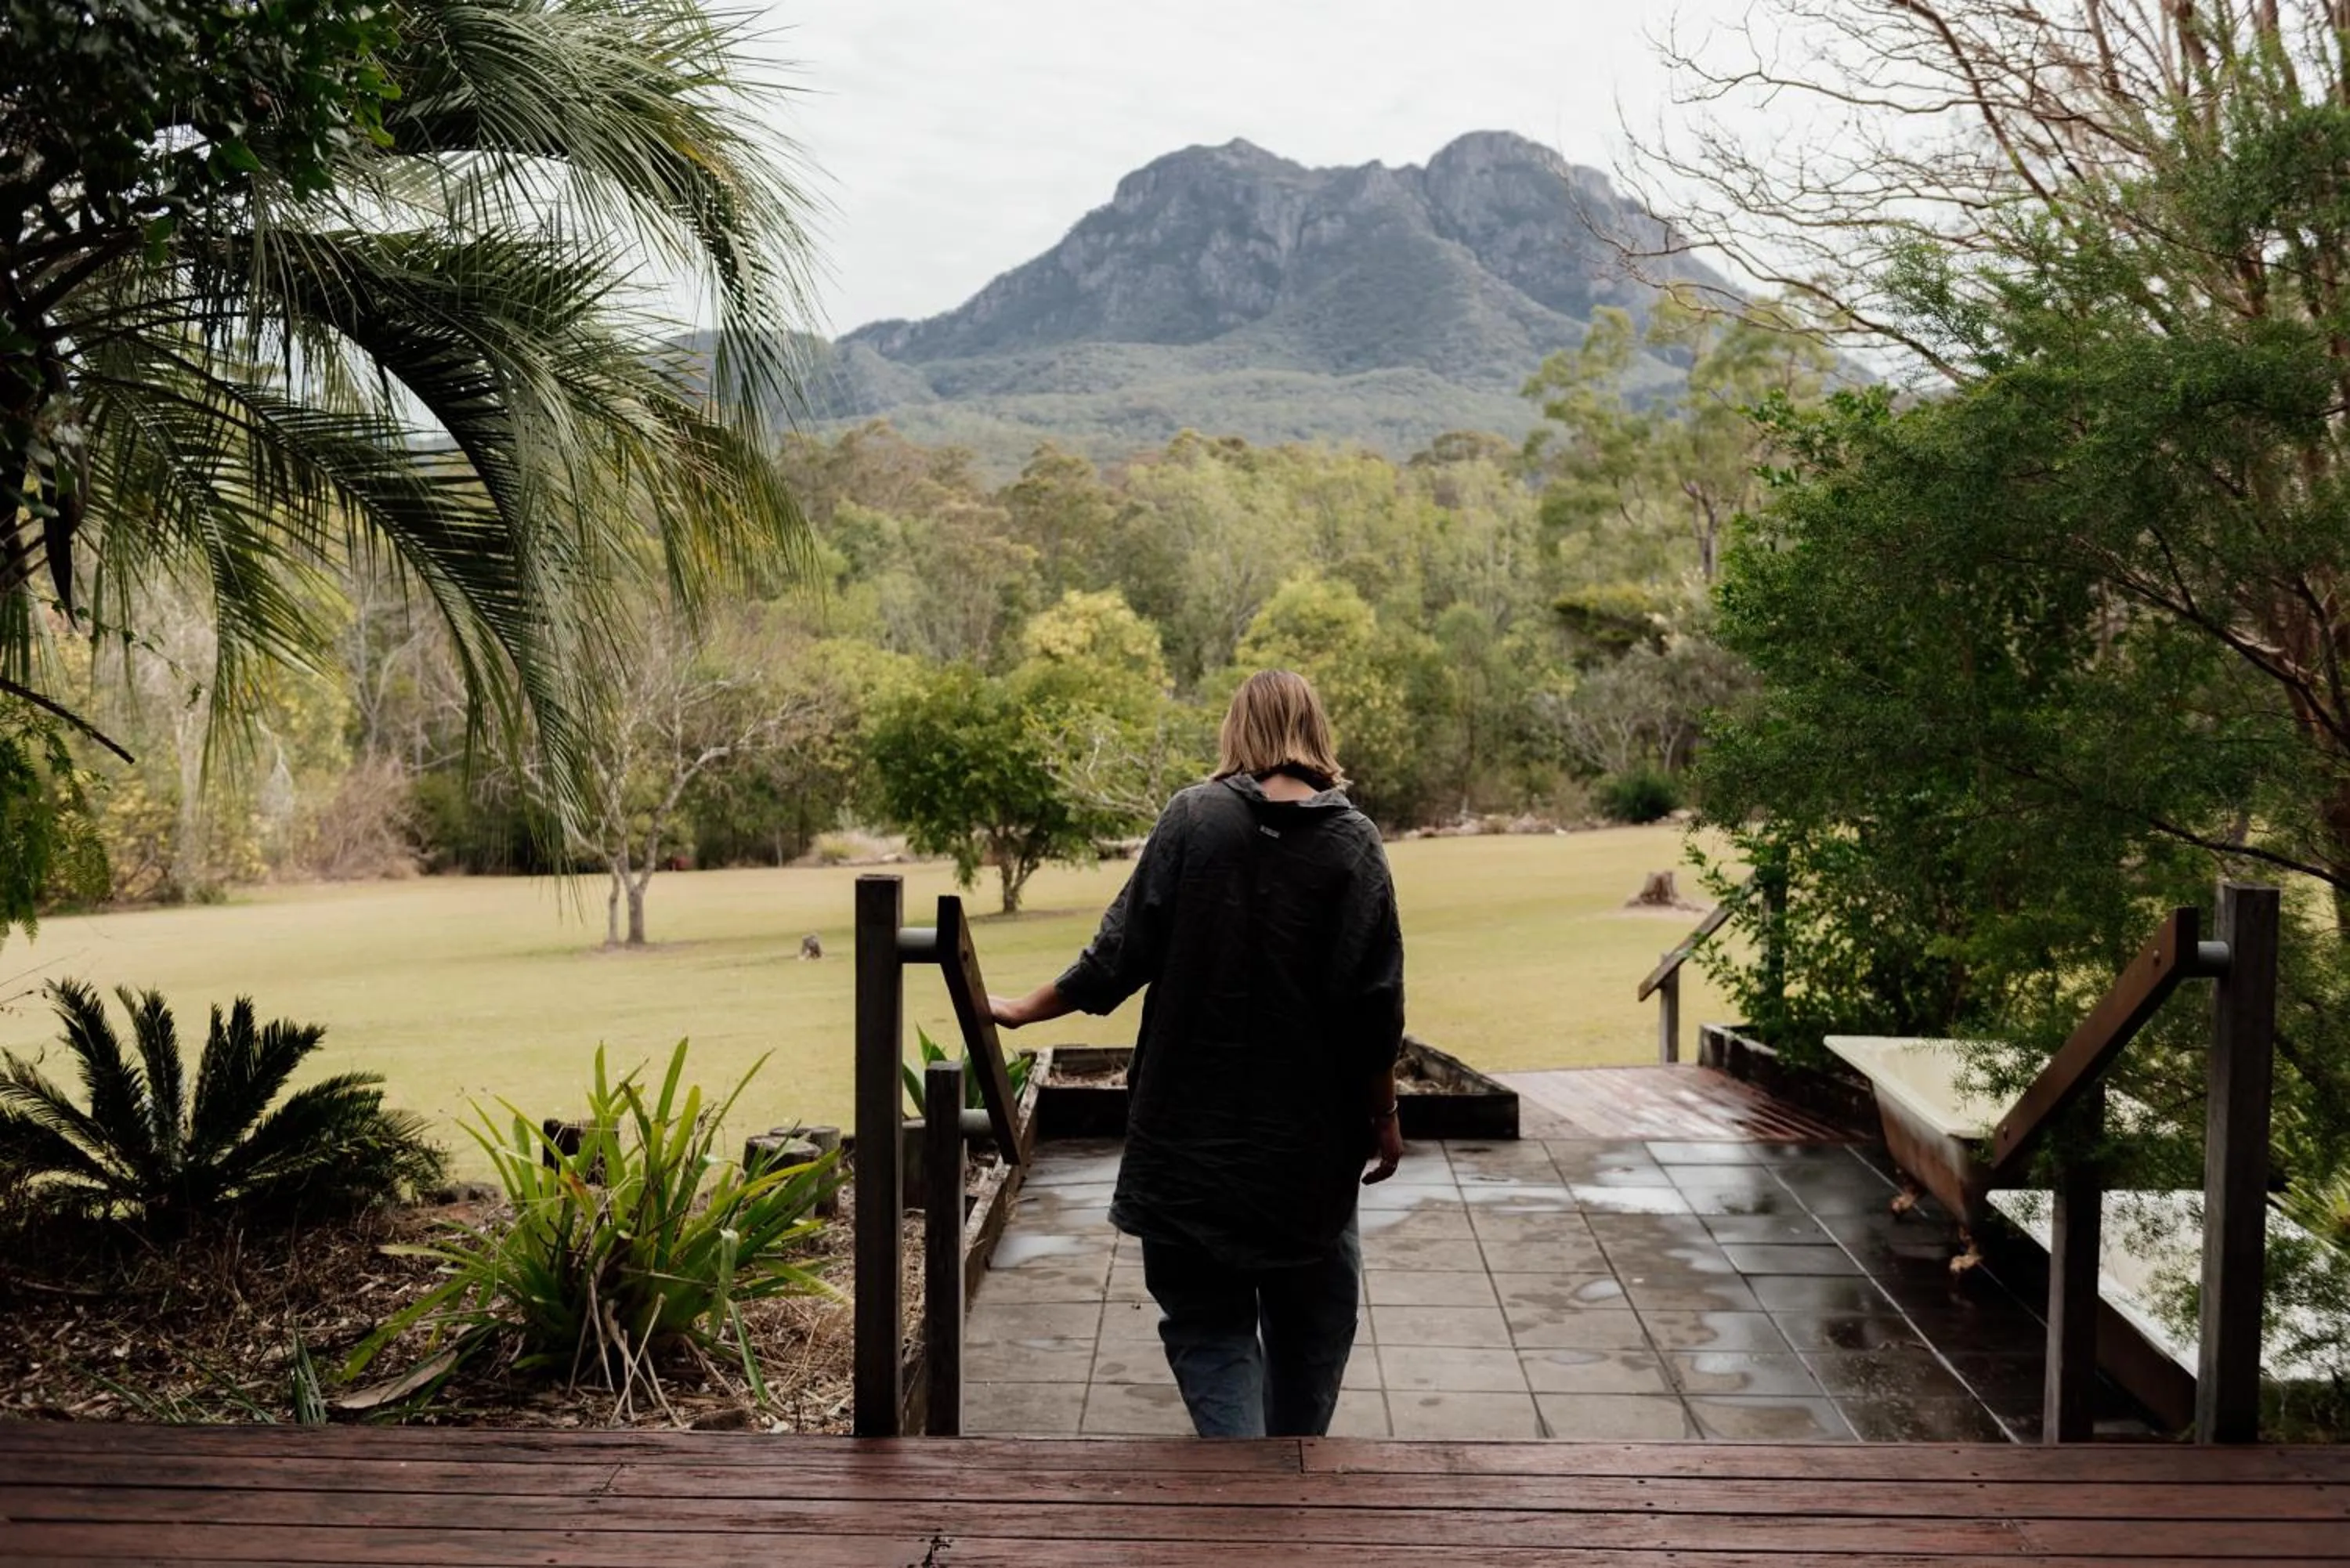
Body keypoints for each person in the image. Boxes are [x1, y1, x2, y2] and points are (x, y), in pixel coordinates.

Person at [989, 668, 1405, 1438]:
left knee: (1209, 1328)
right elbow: (1373, 1011)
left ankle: (1244, 1484)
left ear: (1238, 728)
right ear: (1315, 730)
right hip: (1307, 1155)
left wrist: (1021, 1007)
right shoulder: (1354, 845)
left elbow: (1115, 957)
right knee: (1312, 1329)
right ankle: (1289, 1485)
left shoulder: (1192, 820)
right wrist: (1383, 1116)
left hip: (1184, 1145)